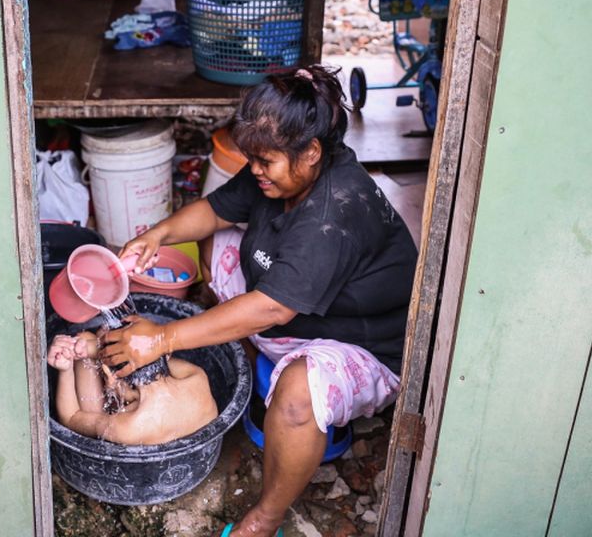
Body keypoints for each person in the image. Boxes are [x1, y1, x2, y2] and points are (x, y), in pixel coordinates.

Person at [100, 65, 416, 537]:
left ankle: (264, 519)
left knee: (295, 396)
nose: (255, 170)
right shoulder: (284, 168)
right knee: (218, 238)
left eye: (264, 162)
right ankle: (251, 353)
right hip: (292, 312)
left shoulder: (333, 215)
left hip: (359, 342)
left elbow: (273, 308)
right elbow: (214, 209)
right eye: (252, 159)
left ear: (311, 152)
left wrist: (162, 339)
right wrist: (159, 234)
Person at [47, 331, 216, 446]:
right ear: (166, 354)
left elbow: (71, 418)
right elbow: (144, 358)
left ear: (112, 375)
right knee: (87, 337)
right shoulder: (195, 376)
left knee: (87, 337)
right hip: (195, 452)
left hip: (145, 468)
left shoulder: (128, 427)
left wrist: (65, 370)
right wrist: (81, 347)